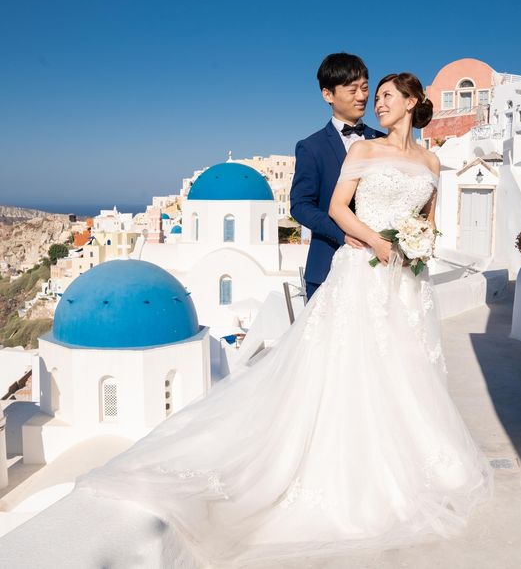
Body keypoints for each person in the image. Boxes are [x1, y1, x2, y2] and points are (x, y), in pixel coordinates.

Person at [77, 72, 493, 568]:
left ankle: (413, 464)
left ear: (411, 102)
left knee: (406, 369)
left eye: (384, 95)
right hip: (364, 271)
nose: (375, 102)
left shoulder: (430, 161)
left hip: (407, 281)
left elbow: (428, 218)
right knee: (352, 369)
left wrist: (420, 244)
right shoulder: (364, 151)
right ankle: (352, 471)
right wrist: (377, 242)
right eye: (372, 94)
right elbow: (336, 207)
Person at [290, 53, 384, 300]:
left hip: (380, 269)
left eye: (365, 88)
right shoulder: (311, 147)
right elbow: (300, 206)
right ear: (328, 95)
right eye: (352, 90)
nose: (362, 96)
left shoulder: (383, 141)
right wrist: (342, 233)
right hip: (327, 268)